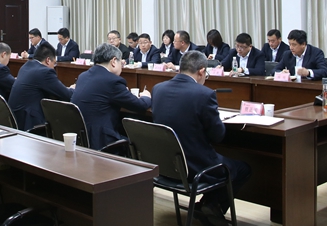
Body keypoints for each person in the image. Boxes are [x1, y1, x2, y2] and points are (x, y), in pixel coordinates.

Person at [152, 50, 251, 225]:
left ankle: (206, 206)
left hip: (166, 165)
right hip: (194, 168)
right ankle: (210, 206)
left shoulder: (158, 89)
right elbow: (218, 135)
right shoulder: (204, 94)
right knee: (243, 169)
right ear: (201, 71)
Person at [71, 43, 151, 149]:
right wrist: (146, 96)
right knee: (143, 142)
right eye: (120, 62)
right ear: (113, 61)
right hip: (101, 140)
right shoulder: (113, 81)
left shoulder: (83, 76)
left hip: (81, 137)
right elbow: (140, 105)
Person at [8, 42, 75, 130]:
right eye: (54, 63)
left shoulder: (26, 66)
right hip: (29, 124)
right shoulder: (45, 72)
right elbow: (67, 95)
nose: (54, 67)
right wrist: (72, 88)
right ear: (48, 60)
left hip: (16, 119)